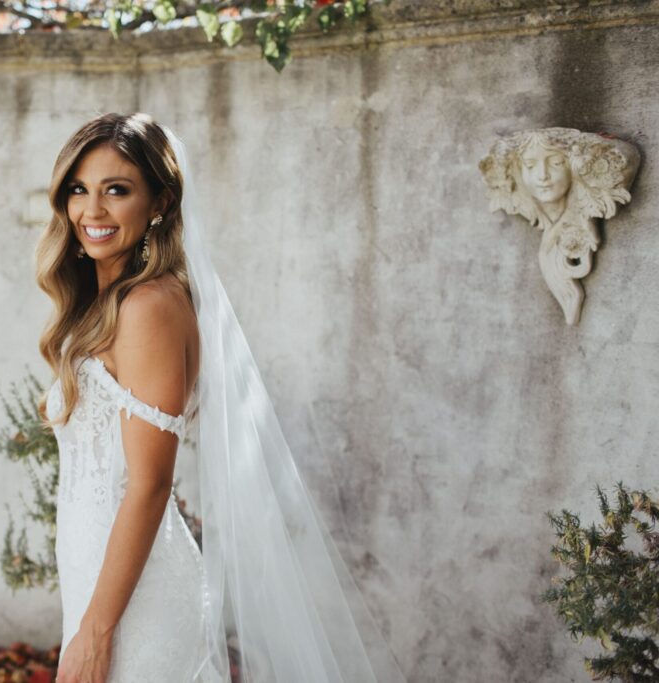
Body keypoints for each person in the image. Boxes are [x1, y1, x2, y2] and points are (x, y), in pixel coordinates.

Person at [36, 113, 405, 683]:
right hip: (97, 582)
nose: (93, 210)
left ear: (159, 201)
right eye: (79, 189)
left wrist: (98, 630)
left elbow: (151, 482)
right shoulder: (106, 305)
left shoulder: (148, 307)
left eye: (118, 190)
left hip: (137, 603)